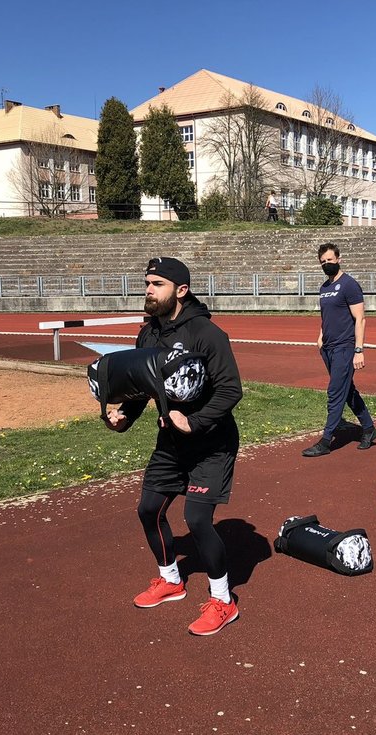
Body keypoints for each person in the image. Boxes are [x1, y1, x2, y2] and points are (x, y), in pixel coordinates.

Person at [104, 256, 243, 636]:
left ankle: (223, 601)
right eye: (147, 282)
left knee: (197, 520)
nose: (148, 289)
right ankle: (171, 580)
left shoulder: (207, 333)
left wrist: (194, 420)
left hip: (211, 443)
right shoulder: (148, 334)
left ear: (180, 291)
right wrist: (125, 416)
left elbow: (232, 389)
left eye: (157, 284)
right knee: (149, 510)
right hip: (171, 442)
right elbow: (140, 386)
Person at [302, 242, 376, 457]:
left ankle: (326, 441)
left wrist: (359, 349)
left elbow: (360, 319)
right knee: (347, 390)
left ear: (338, 259)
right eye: (323, 262)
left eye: (330, 260)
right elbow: (325, 317)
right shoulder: (324, 288)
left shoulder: (349, 285)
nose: (327, 264)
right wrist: (320, 339)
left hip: (345, 347)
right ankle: (369, 429)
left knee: (335, 392)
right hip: (328, 348)